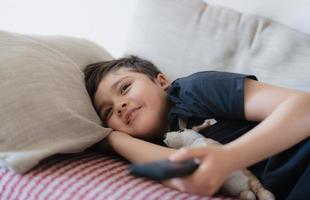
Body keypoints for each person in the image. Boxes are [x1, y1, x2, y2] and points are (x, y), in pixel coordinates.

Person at [84, 56, 309, 199]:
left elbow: (304, 108)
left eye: (124, 88)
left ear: (161, 82)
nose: (120, 106)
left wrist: (231, 157)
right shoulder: (151, 145)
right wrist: (114, 140)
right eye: (108, 112)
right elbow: (182, 175)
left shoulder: (193, 90)